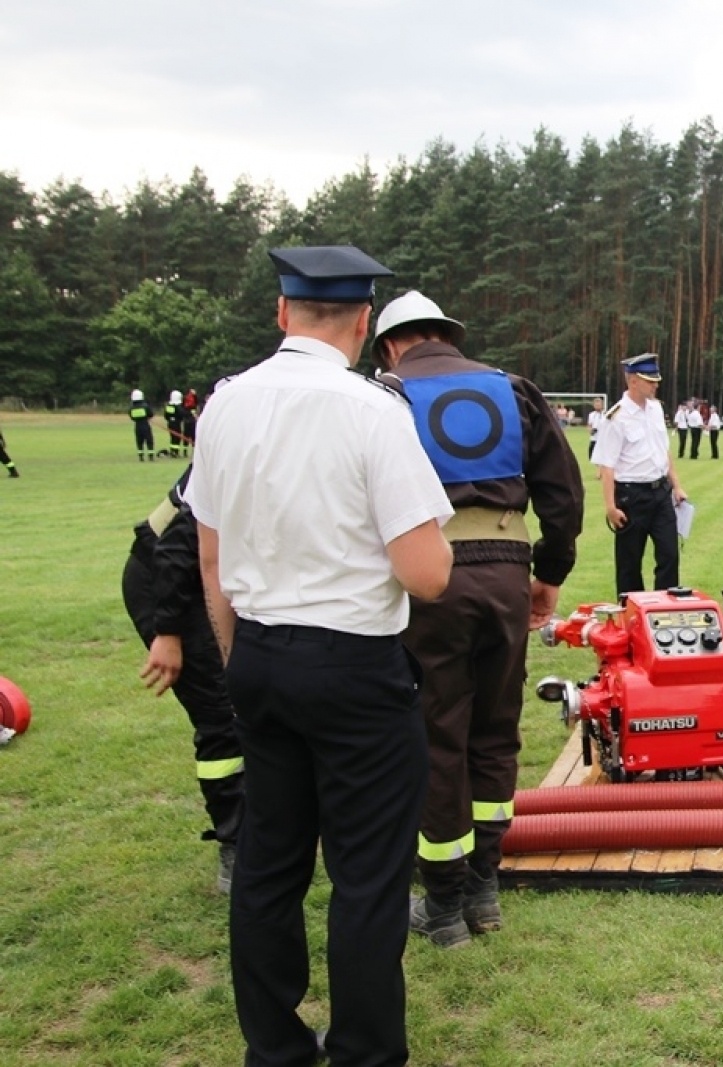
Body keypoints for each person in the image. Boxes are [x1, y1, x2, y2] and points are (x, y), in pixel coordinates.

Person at [188, 245, 455, 1064]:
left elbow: (210, 553)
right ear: (364, 321)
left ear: (282, 313)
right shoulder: (373, 410)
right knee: (368, 877)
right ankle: (365, 1053)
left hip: (260, 653)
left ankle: (274, 1048)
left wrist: (240, 656)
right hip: (352, 666)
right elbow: (427, 574)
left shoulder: (226, 403)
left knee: (269, 867)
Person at [371, 291, 584, 948]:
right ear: (449, 336)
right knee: (495, 732)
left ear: (389, 346)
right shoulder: (512, 387)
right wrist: (547, 574)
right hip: (506, 575)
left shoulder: (382, 394)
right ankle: (484, 888)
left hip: (425, 577)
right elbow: (564, 493)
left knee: (438, 737)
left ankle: (440, 905)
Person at [121, 466, 243, 891]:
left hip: (215, 582)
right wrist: (168, 632)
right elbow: (176, 546)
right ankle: (235, 844)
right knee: (222, 717)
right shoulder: (236, 440)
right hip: (169, 582)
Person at [592, 354, 688, 597]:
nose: (655, 385)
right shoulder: (616, 417)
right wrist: (610, 507)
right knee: (630, 562)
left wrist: (676, 486)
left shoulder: (656, 409)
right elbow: (607, 466)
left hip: (660, 492)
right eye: (649, 381)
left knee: (669, 555)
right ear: (633, 381)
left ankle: (664, 613)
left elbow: (664, 451)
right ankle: (631, 617)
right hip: (631, 495)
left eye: (656, 380)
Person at [129, 388, 155, 461]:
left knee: (139, 441)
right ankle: (151, 456)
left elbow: (132, 417)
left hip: (137, 426)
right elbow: (151, 414)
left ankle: (141, 456)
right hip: (145, 425)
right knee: (149, 440)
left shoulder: (131, 408)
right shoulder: (145, 406)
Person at [164, 390, 187, 458]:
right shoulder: (178, 407)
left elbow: (166, 415)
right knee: (177, 437)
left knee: (172, 437)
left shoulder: (169, 406)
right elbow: (182, 414)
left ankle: (172, 451)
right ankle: (175, 452)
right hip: (176, 423)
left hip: (170, 423)